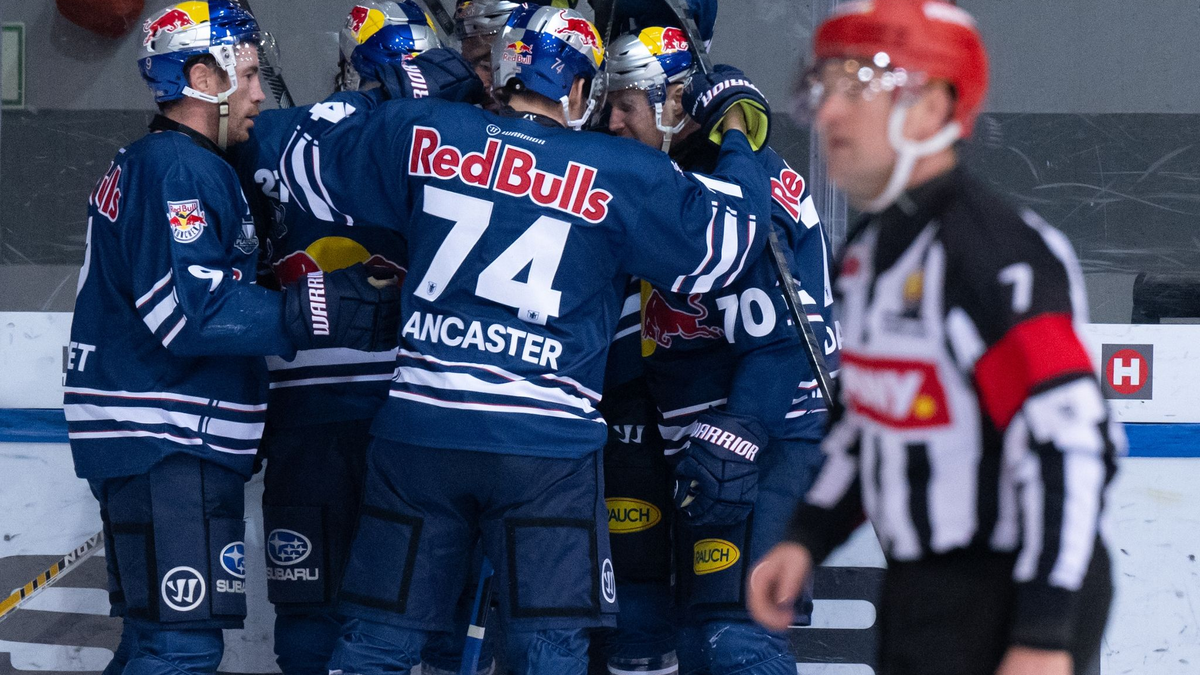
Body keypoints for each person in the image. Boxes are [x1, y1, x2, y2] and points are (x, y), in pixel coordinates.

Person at [277, 6, 775, 673]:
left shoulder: (426, 131)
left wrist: (385, 90)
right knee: (549, 649)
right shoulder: (620, 170)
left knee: (377, 641)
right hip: (546, 452)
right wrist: (739, 134)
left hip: (420, 435)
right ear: (580, 91)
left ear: (505, 67)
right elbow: (732, 239)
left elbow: (299, 158)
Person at [745, 3, 1123, 675]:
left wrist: (1044, 630)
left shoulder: (995, 252)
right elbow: (865, 424)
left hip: (1015, 595)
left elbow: (1071, 444)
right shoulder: (867, 256)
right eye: (822, 90)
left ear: (932, 107)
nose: (828, 114)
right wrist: (806, 538)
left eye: (856, 88)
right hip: (920, 591)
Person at [65, 2, 400, 674]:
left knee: (151, 639)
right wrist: (323, 303)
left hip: (153, 438)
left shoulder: (159, 160)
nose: (258, 94)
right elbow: (189, 312)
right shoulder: (181, 171)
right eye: (246, 75)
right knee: (180, 646)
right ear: (200, 77)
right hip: (169, 438)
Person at [231, 2, 488, 673]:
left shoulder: (280, 134)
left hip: (306, 419)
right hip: (410, 421)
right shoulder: (460, 144)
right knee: (417, 610)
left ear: (355, 60)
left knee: (313, 616)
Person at [601, 25, 837, 675]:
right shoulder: (670, 170)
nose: (613, 121)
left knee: (736, 636)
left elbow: (796, 331)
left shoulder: (742, 178)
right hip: (693, 431)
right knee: (672, 630)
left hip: (770, 434)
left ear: (676, 100)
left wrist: (742, 427)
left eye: (628, 104)